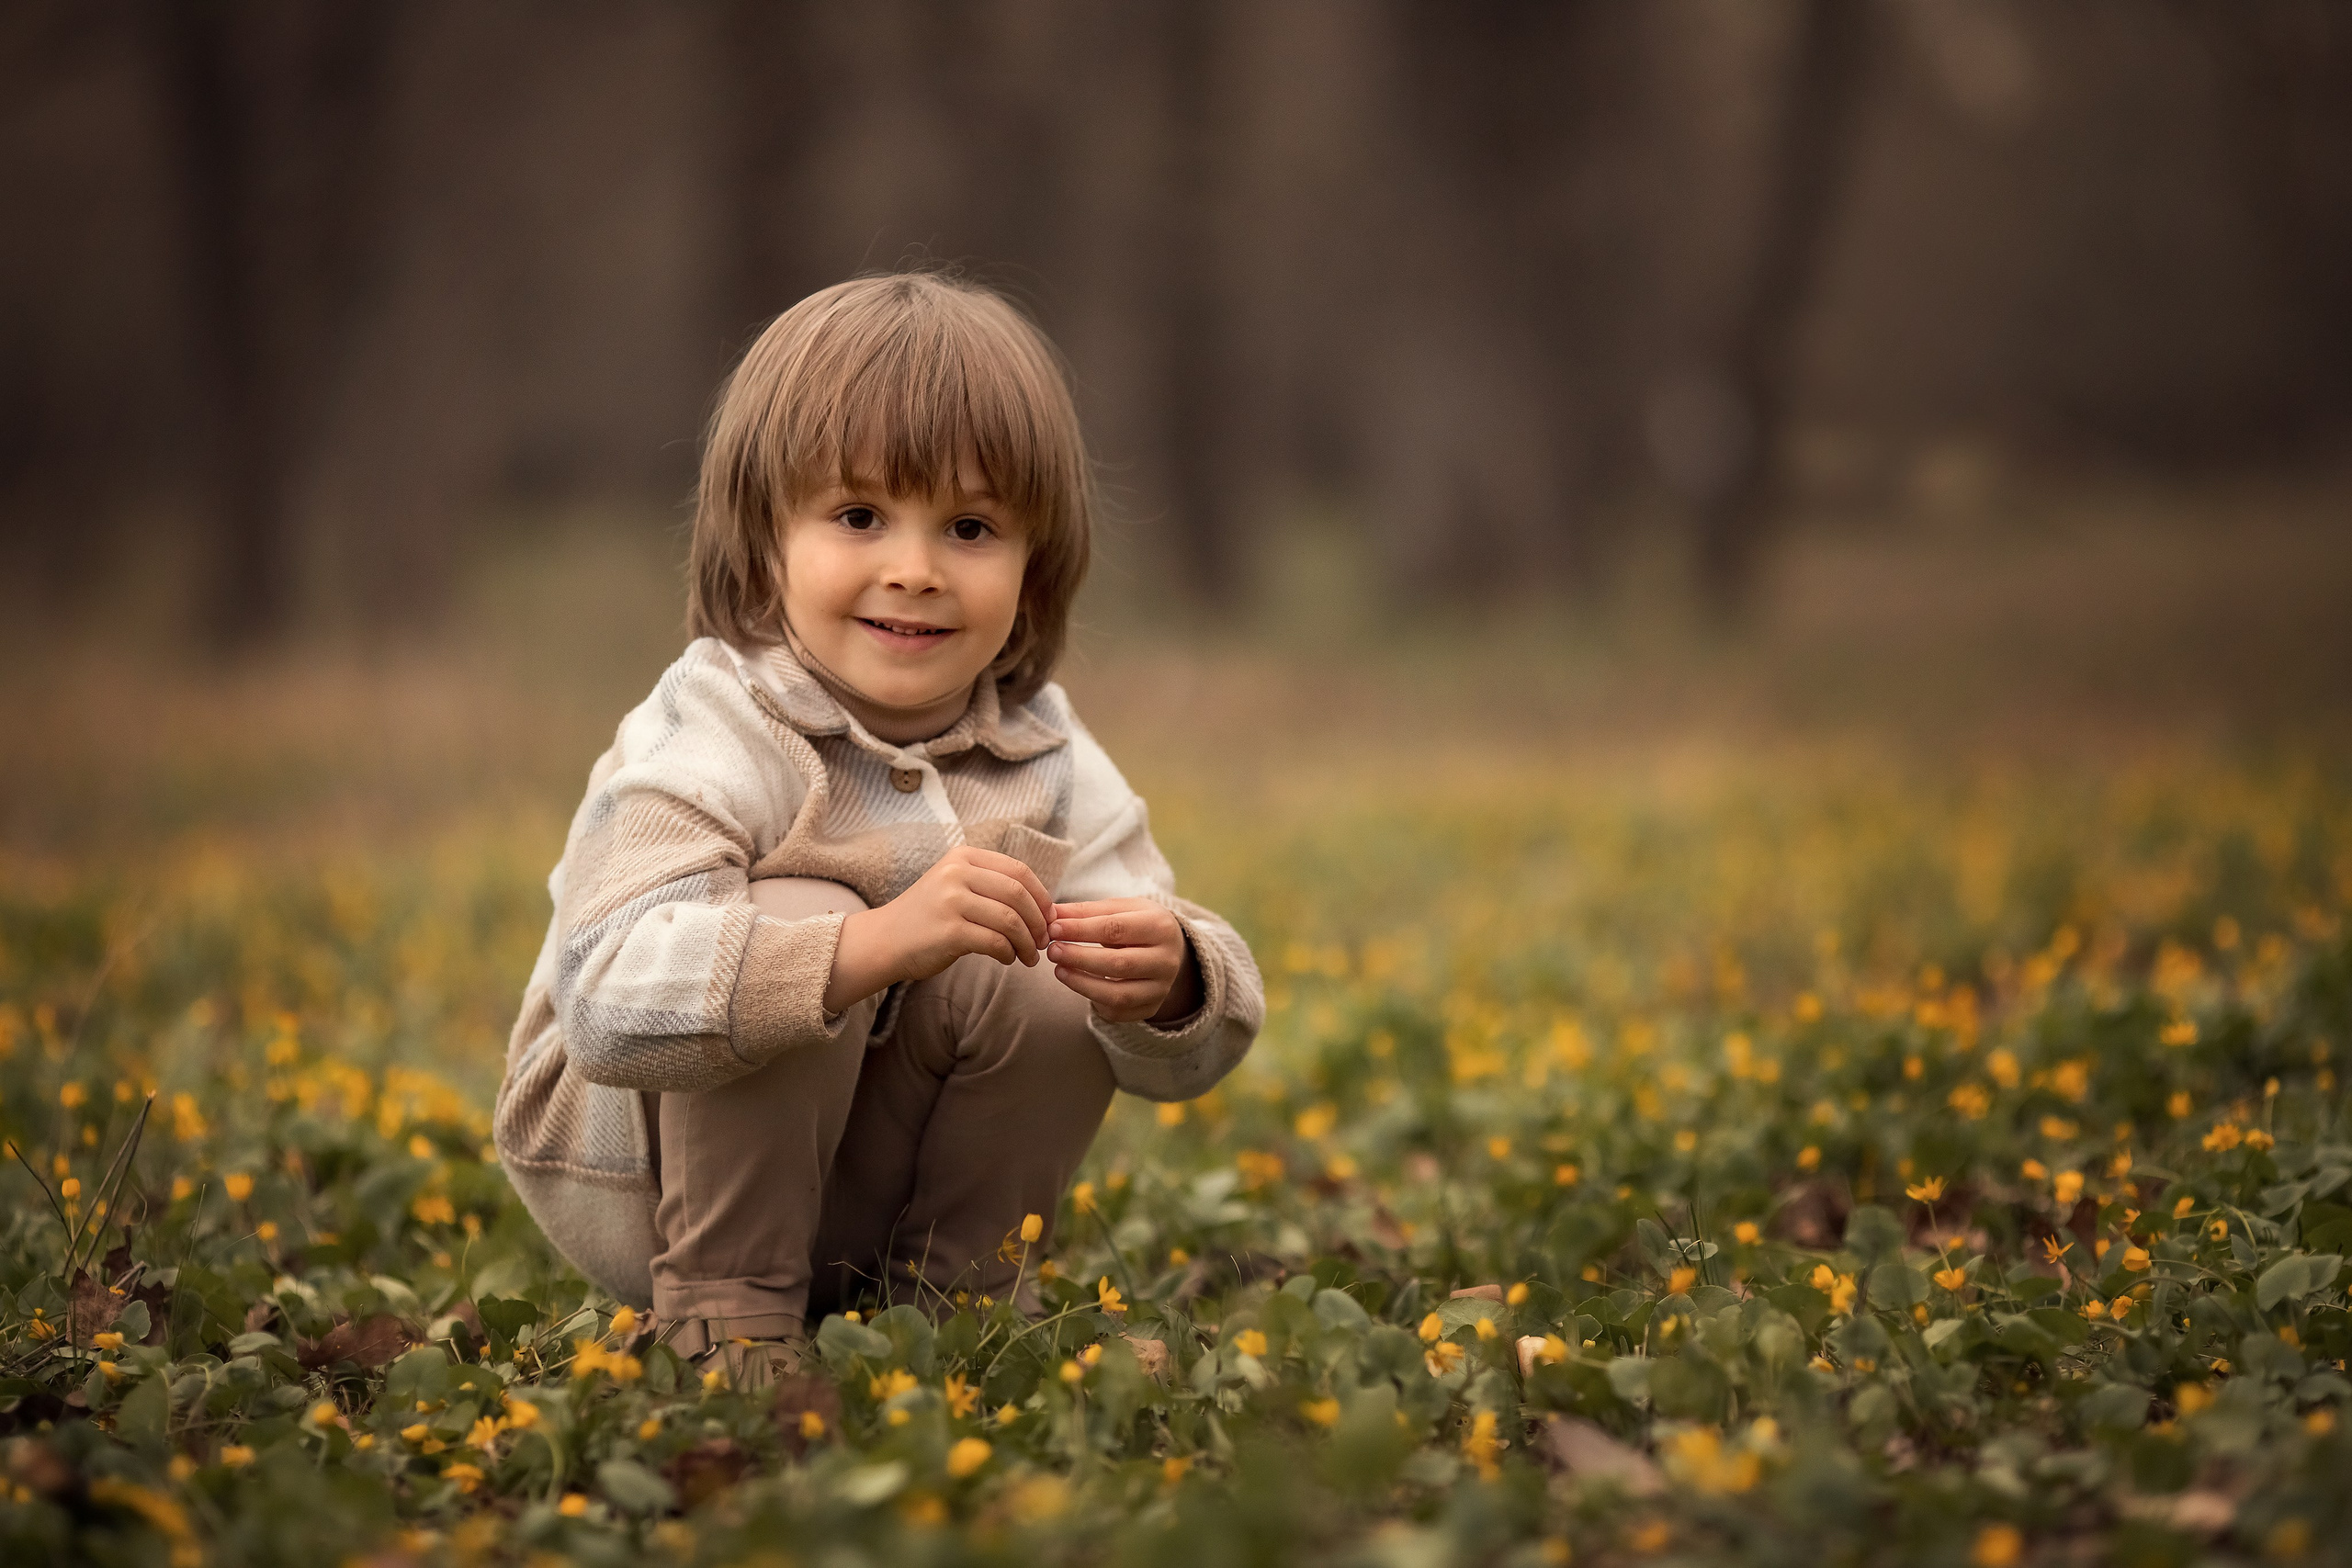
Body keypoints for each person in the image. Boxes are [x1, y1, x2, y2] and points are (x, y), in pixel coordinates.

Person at [492, 272, 1264, 1387]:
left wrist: (1175, 978)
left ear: (1034, 564)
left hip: (864, 1180)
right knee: (799, 908)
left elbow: (1189, 1039)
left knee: (1055, 953)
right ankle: (724, 1318)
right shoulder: (716, 723)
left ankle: (958, 1308)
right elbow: (607, 1003)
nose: (914, 570)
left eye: (970, 528)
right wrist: (864, 946)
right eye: (859, 517)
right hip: (649, 1185)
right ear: (765, 538)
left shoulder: (1043, 749)